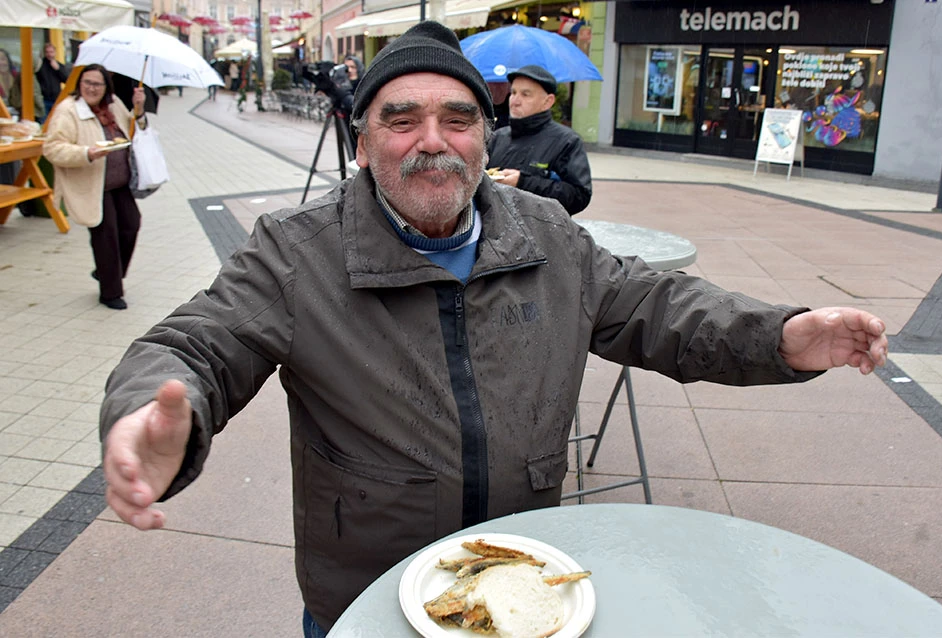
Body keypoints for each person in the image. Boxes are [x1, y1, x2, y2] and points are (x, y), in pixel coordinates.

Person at [98, 21, 888, 638]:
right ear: (363, 140)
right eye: (400, 120)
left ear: (485, 136)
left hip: (523, 576)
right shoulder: (295, 251)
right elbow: (195, 343)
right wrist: (154, 415)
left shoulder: (544, 232)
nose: (432, 141)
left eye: (457, 118)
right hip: (367, 589)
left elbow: (656, 308)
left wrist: (781, 335)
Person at [43, 64, 147, 311]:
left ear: (106, 87)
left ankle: (105, 271)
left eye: (97, 84)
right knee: (106, 236)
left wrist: (139, 109)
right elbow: (52, 148)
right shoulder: (68, 111)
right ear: (79, 84)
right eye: (86, 82)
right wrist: (86, 153)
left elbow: (135, 130)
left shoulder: (113, 105)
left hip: (119, 183)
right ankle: (110, 292)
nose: (91, 88)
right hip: (91, 185)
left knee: (131, 225)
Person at [486, 64, 592, 216]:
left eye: (526, 94)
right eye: (513, 92)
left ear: (548, 101)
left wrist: (523, 182)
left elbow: (578, 196)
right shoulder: (497, 137)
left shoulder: (567, 141)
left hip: (541, 233)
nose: (515, 100)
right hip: (493, 230)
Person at [0, 48, 45, 122]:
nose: (1, 63)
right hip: (28, 111)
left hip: (18, 110)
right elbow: (34, 93)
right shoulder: (27, 76)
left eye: (3, 59)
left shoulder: (16, 74)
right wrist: (41, 107)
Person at [35, 42, 69, 118]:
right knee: (44, 121)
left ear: (55, 53)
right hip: (44, 99)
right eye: (47, 52)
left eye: (51, 52)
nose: (49, 54)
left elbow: (67, 80)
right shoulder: (40, 65)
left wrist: (58, 69)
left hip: (56, 99)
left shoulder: (59, 65)